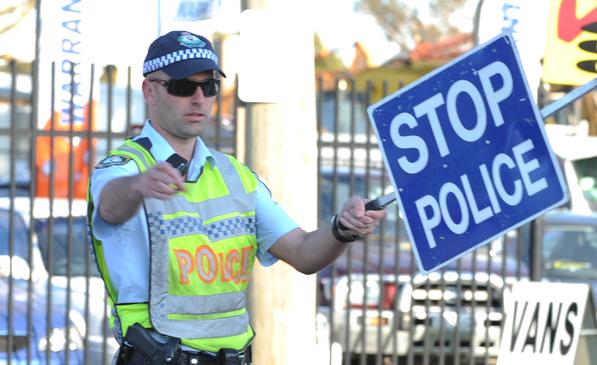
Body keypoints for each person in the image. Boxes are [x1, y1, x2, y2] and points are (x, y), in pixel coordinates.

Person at [87, 30, 386, 365]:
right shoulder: (124, 167)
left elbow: (303, 253)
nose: (199, 98)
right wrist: (139, 186)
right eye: (183, 87)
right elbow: (110, 206)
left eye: (210, 86)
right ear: (149, 91)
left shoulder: (236, 176)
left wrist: (341, 230)